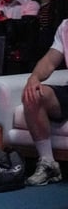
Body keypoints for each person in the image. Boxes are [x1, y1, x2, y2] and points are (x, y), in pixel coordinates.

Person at [20, 16, 67, 185]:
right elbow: (49, 61)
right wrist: (34, 77)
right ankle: (48, 163)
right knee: (33, 95)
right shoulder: (65, 26)